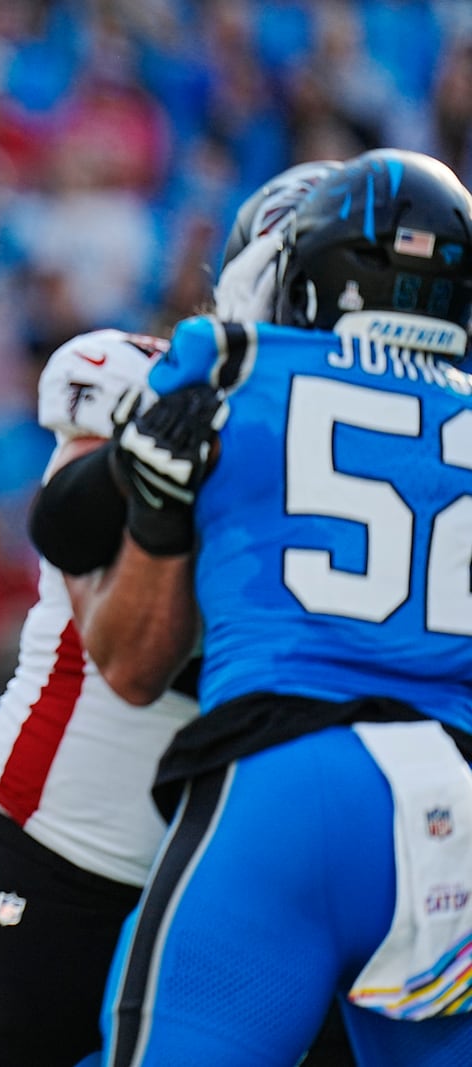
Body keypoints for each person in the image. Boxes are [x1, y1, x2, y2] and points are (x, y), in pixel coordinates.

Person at [0, 161, 357, 1067]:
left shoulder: (417, 436)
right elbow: (130, 662)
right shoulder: (142, 379)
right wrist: (171, 496)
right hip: (60, 841)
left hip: (241, 877)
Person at [78, 149, 472, 1065]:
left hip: (287, 784)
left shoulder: (227, 361)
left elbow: (93, 583)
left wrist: (158, 494)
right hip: (455, 807)